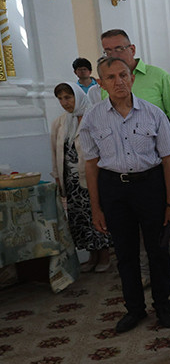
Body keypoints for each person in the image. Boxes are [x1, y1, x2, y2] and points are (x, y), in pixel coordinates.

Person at [79, 57, 170, 334]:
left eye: (123, 75)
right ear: (100, 84)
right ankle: (134, 309)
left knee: (158, 250)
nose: (119, 81)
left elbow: (169, 160)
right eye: (110, 77)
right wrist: (96, 208)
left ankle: (163, 305)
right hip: (113, 189)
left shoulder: (153, 114)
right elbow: (90, 164)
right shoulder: (92, 118)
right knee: (125, 254)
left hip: (150, 187)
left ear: (132, 77)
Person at [100, 29, 170, 295]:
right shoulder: (106, 83)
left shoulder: (158, 76)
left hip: (158, 164)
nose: (113, 55)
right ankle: (148, 272)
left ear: (133, 49)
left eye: (118, 49)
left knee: (167, 217)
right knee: (134, 226)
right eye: (107, 51)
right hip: (123, 169)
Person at [50, 82, 112, 273]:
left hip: (91, 178)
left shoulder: (94, 117)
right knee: (79, 218)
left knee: (96, 214)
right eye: (60, 99)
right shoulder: (60, 122)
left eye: (68, 97)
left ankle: (104, 255)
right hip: (71, 181)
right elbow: (55, 151)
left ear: (77, 96)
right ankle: (92, 256)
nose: (64, 102)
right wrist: (58, 178)